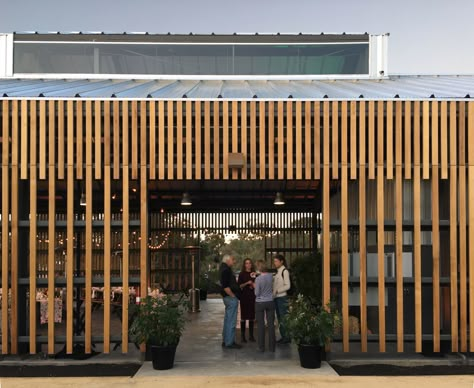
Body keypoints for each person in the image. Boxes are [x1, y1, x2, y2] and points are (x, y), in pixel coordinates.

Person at [219, 254, 242, 349]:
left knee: (228, 319)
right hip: (230, 298)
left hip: (227, 297)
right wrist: (233, 295)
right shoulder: (226, 270)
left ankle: (226, 340)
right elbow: (225, 286)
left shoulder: (223, 269)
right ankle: (229, 342)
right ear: (227, 260)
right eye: (233, 259)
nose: (234, 261)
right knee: (231, 321)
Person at [254, 260, 276, 352]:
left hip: (260, 303)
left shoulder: (258, 279)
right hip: (270, 302)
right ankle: (272, 347)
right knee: (271, 325)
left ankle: (261, 347)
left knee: (261, 325)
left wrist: (254, 286)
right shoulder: (271, 277)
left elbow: (257, 293)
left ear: (259, 268)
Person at [273, 254, 291, 344]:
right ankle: (284, 336)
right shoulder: (278, 272)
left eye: (276, 261)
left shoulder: (284, 271)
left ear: (281, 261)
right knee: (280, 318)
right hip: (277, 298)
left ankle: (287, 337)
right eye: (274, 261)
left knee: (283, 318)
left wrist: (277, 291)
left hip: (282, 298)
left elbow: (288, 286)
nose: (274, 263)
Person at [238, 258, 256, 343]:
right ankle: (242, 336)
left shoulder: (254, 274)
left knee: (252, 317)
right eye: (246, 263)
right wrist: (247, 283)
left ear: (251, 264)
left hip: (252, 297)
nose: (248, 265)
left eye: (249, 263)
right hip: (244, 297)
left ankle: (251, 336)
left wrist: (253, 285)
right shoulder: (241, 274)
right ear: (244, 265)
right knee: (243, 317)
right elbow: (240, 286)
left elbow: (257, 285)